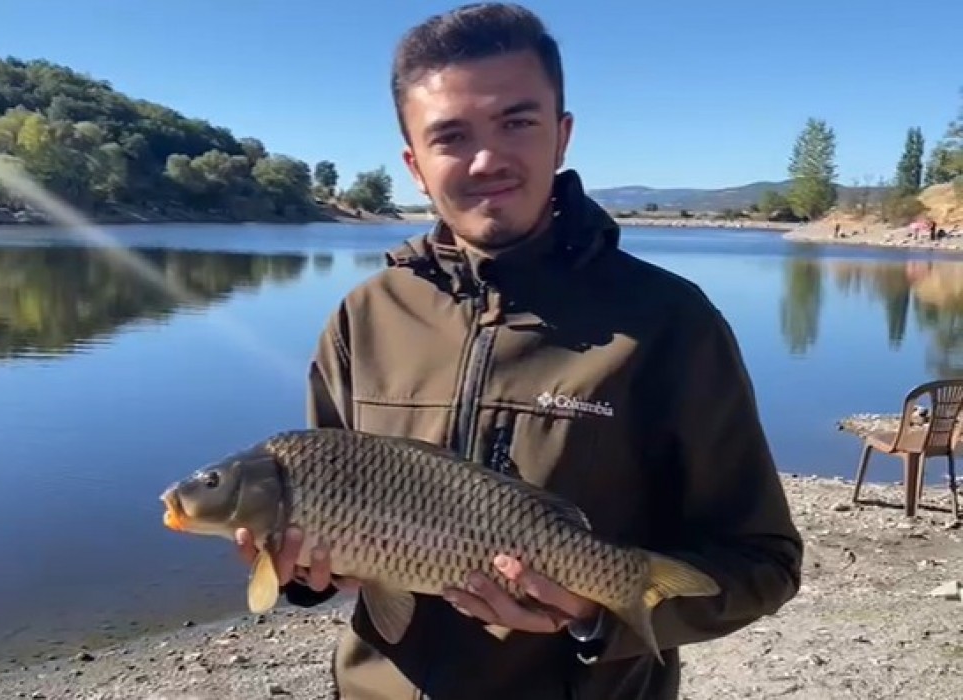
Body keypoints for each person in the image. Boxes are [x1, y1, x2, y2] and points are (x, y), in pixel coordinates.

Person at [234, 3, 804, 698]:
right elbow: (325, 522)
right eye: (450, 135)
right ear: (414, 164)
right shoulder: (365, 317)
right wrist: (298, 572)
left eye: (517, 122)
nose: (486, 159)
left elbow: (762, 561)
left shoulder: (669, 323)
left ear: (561, 137)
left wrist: (596, 612)